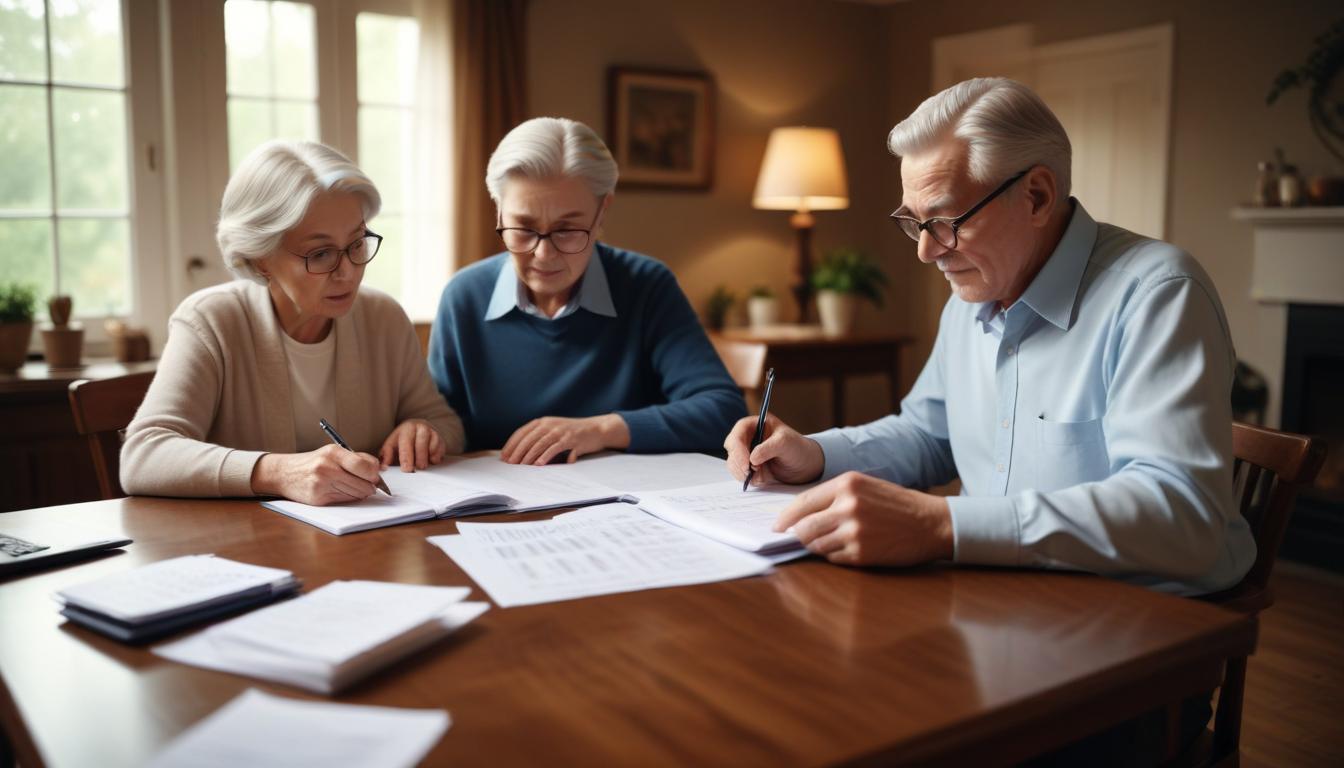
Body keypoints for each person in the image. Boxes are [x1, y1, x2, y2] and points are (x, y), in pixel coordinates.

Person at [725, 78, 1255, 597]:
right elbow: (929, 435)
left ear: (1038, 196)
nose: (926, 252)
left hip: (1143, 614)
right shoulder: (972, 297)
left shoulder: (1158, 296)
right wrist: (814, 454)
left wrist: (942, 525)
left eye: (947, 221)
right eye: (915, 223)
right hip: (1001, 598)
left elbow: (1182, 514)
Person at [122, 140, 464, 505]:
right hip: (247, 547)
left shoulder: (384, 318)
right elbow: (144, 455)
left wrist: (423, 431)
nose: (348, 272)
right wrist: (280, 473)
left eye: (356, 244)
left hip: (365, 543)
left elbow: (445, 424)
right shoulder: (211, 321)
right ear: (259, 259)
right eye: (320, 253)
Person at [429, 117, 745, 464]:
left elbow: (723, 410)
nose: (543, 254)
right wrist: (422, 430)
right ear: (499, 210)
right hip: (499, 509)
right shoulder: (464, 297)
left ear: (601, 212)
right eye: (523, 228)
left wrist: (602, 430)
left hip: (621, 508)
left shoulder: (646, 286)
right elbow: (443, 423)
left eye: (567, 230)